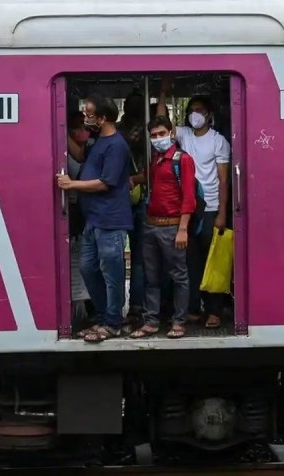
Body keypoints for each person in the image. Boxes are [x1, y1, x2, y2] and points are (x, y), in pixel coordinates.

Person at [56, 94, 133, 343]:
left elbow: (105, 183)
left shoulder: (116, 145)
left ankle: (113, 322)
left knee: (112, 273)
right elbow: (80, 157)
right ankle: (102, 316)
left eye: (89, 114)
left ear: (102, 118)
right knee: (88, 268)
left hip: (110, 220)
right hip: (94, 219)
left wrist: (71, 184)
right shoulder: (98, 140)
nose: (85, 117)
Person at [157, 78, 231, 329]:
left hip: (210, 209)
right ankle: (193, 309)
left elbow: (224, 181)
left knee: (213, 262)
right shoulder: (185, 134)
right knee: (191, 262)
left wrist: (222, 213)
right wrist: (164, 95)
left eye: (199, 110)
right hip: (188, 209)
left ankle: (214, 311)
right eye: (191, 111)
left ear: (209, 114)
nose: (194, 115)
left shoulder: (219, 141)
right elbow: (161, 123)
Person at [130, 115, 197, 339]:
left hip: (172, 226)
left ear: (171, 133)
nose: (157, 139)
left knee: (179, 275)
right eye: (153, 135)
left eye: (161, 134)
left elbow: (189, 197)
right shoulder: (157, 160)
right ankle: (151, 321)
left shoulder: (182, 160)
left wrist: (183, 229)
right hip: (151, 225)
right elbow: (148, 183)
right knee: (152, 277)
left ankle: (178, 322)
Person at [116, 92, 148, 328]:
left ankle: (114, 308)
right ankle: (136, 307)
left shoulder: (115, 131)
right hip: (140, 197)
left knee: (114, 257)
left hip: (116, 199)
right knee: (139, 257)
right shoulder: (145, 132)